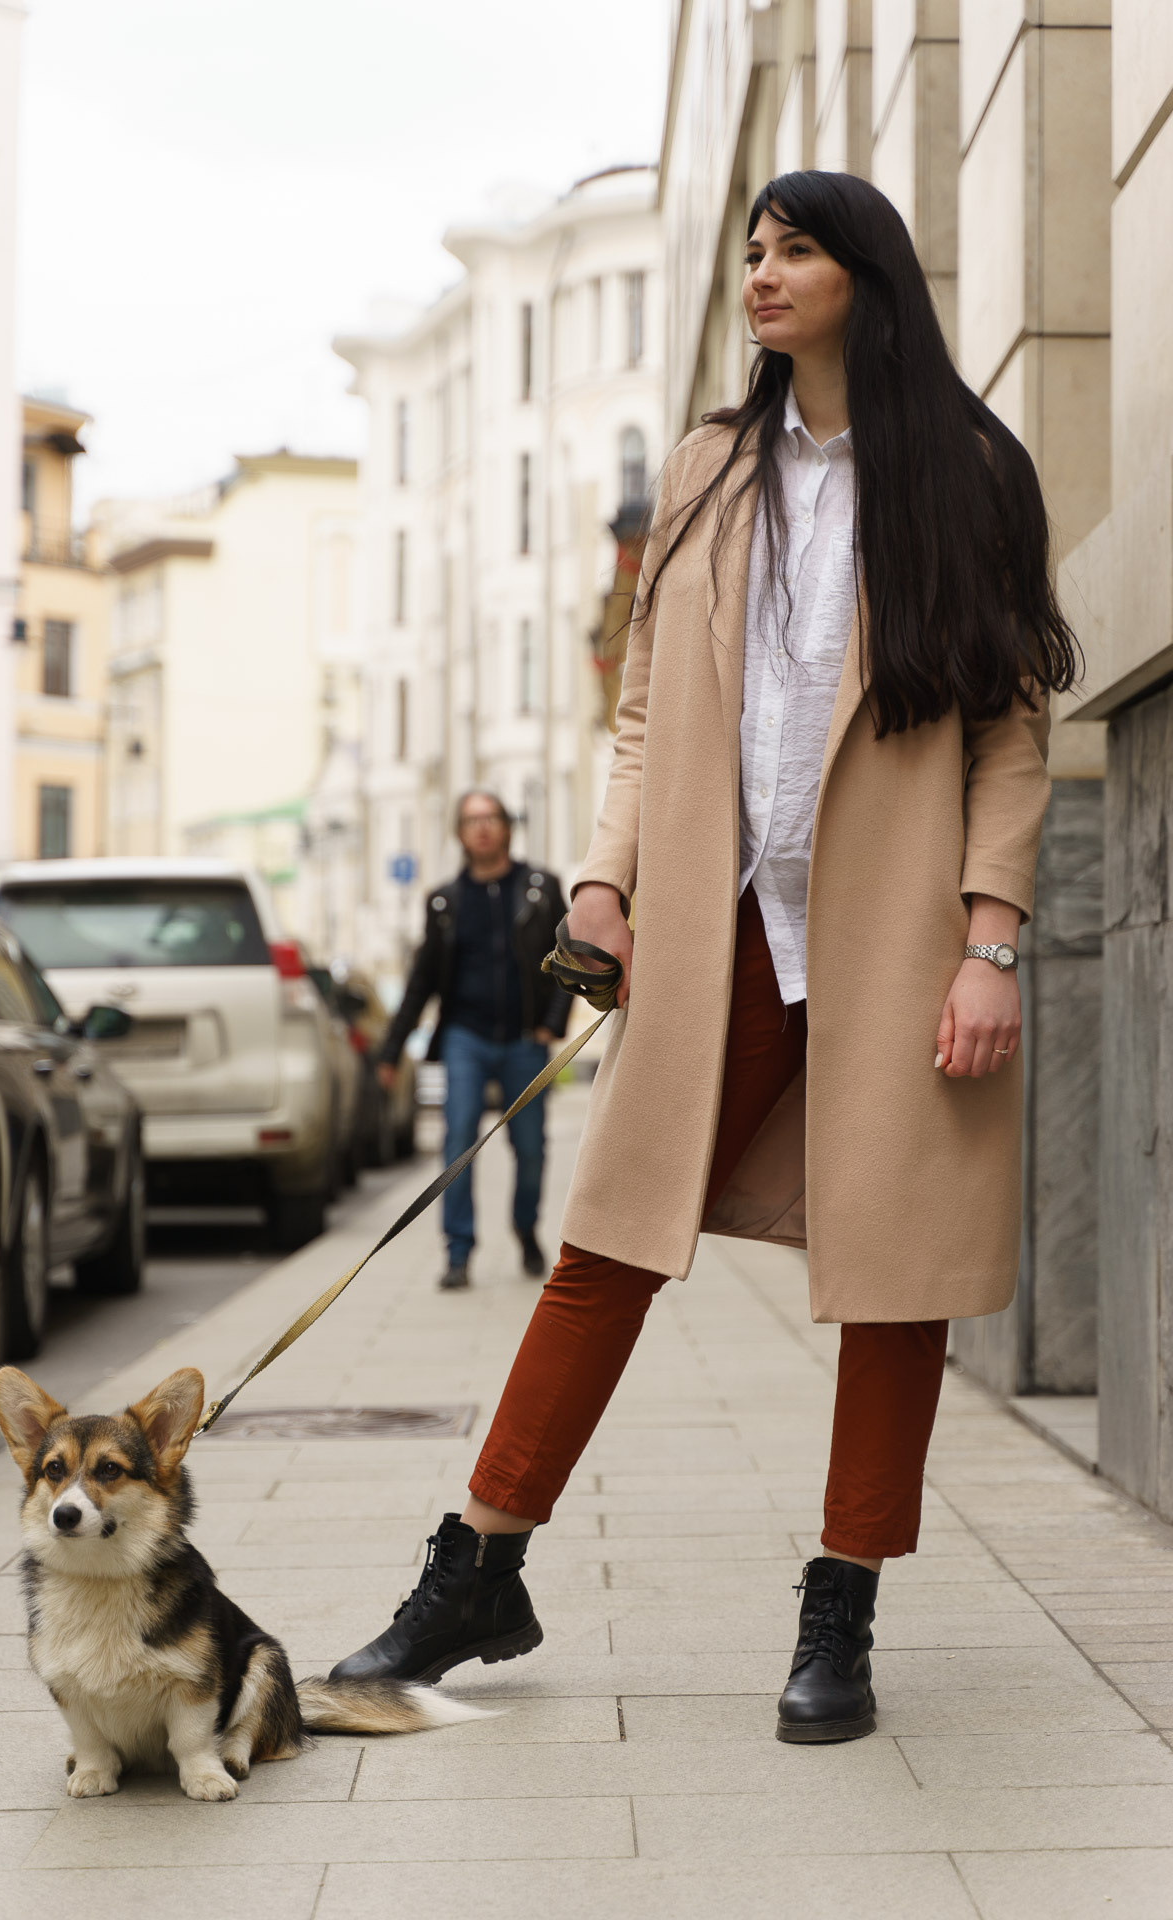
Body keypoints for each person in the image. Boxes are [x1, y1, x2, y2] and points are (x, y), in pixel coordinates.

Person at [334, 172, 1079, 1743]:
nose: (763, 272)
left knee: (897, 1279)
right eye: (752, 248)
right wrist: (602, 887)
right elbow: (645, 712)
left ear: (865, 275)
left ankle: (842, 1609)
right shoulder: (705, 473)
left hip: (900, 934)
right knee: (606, 1242)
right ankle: (479, 1564)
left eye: (794, 248)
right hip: (723, 920)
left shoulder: (971, 469)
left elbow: (1014, 732)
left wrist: (989, 944)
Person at [377, 790, 572, 1290]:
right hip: (465, 1036)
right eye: (471, 820)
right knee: (458, 1138)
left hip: (525, 1039)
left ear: (507, 827)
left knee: (530, 1149)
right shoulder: (444, 902)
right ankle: (458, 1251)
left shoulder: (539, 887)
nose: (482, 827)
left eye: (491, 818)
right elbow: (421, 980)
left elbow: (569, 956)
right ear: (459, 833)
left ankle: (526, 1230)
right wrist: (391, 1050)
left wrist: (554, 1020)